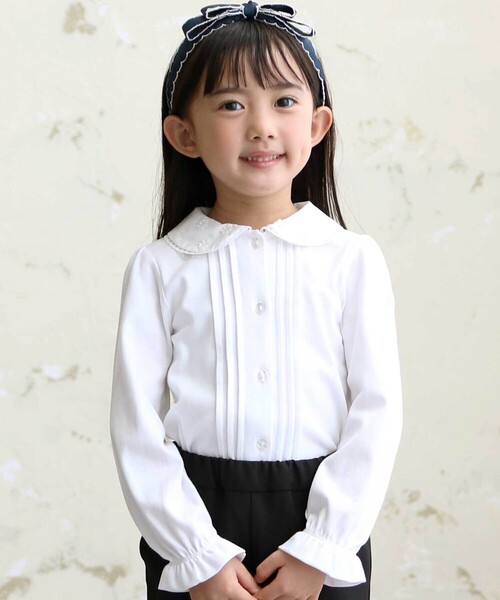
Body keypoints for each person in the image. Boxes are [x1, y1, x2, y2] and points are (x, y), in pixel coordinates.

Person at [109, 2, 403, 600]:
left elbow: (377, 413)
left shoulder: (352, 259)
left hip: (323, 523)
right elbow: (134, 425)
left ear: (318, 125)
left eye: (284, 101)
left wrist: (322, 547)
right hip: (193, 522)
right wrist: (196, 555)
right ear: (184, 134)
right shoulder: (159, 267)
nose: (262, 126)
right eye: (231, 105)